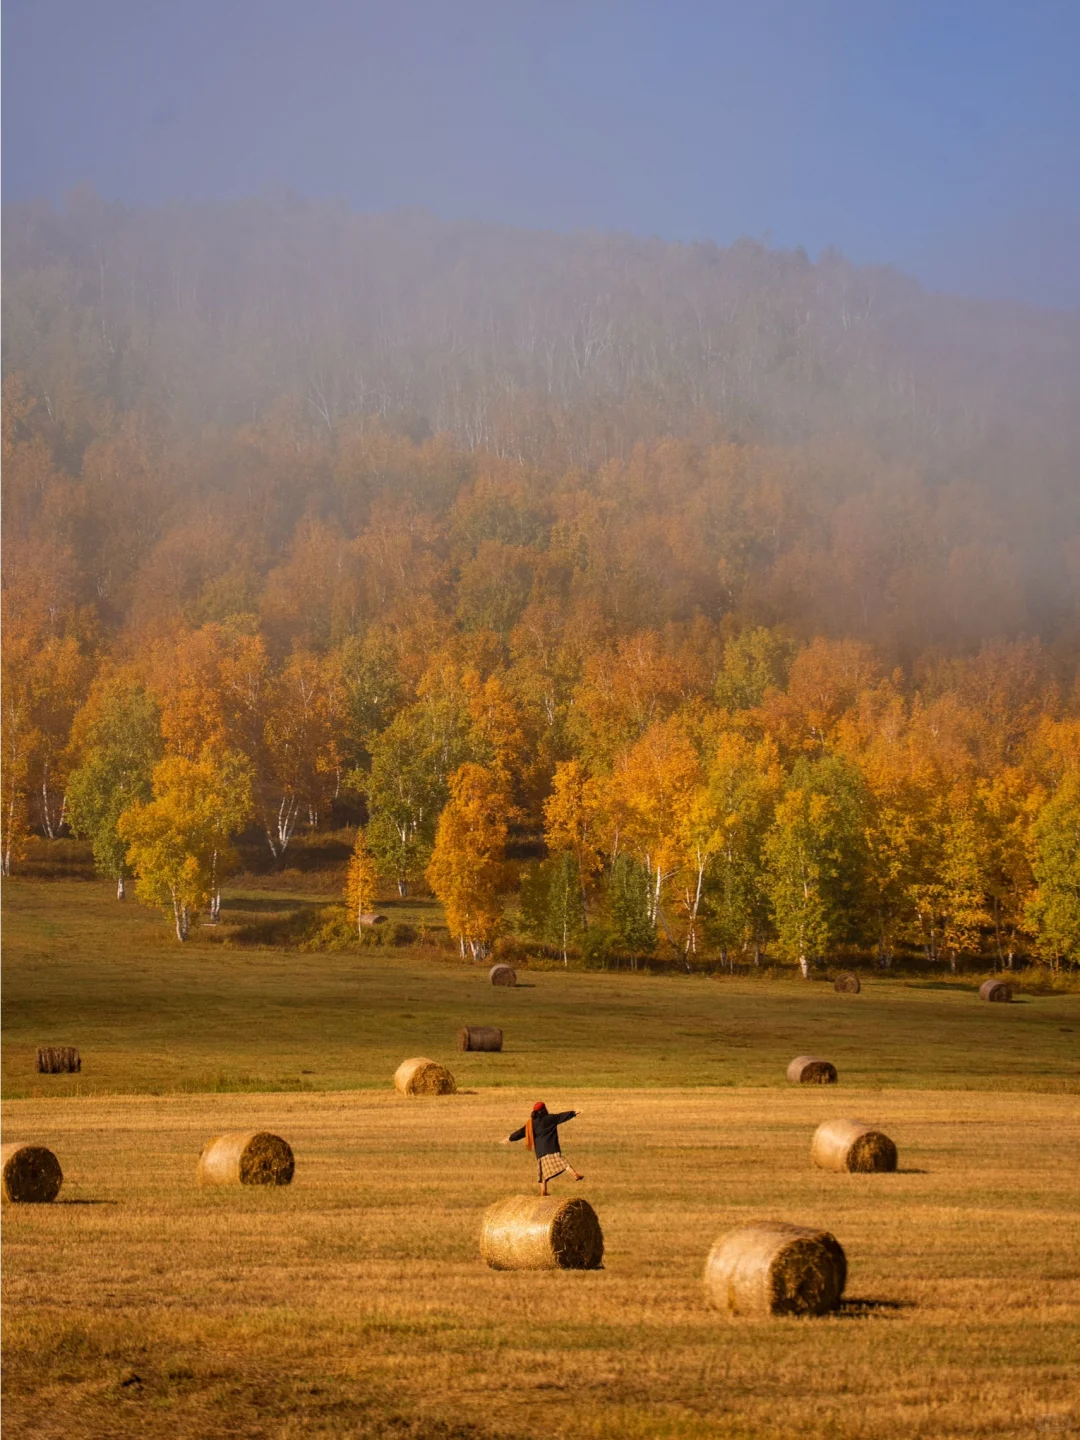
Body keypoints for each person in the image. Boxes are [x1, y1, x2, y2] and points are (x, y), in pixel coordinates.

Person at [503, 1101, 584, 1195]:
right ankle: (574, 1174)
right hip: (552, 1148)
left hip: (541, 1152)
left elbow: (521, 1132)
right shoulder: (551, 1118)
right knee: (563, 1162)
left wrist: (509, 1138)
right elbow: (562, 1116)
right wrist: (574, 1112)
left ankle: (543, 1191)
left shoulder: (531, 1124)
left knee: (542, 1173)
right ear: (544, 1109)